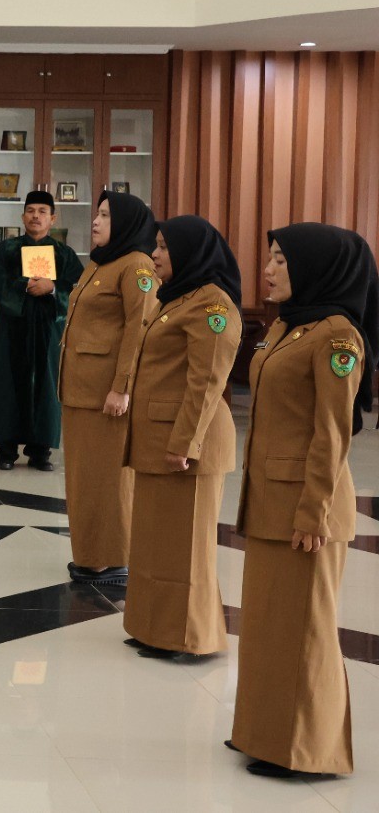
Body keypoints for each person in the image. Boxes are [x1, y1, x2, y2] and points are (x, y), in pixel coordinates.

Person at [230, 223, 376, 779]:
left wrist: (313, 511)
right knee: (270, 625)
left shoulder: (338, 337)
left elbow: (333, 434)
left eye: (280, 261)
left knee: (305, 631)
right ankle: (266, 735)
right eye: (269, 258)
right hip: (271, 497)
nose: (267, 269)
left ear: (316, 267)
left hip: (305, 508)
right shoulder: (291, 326)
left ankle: (309, 750)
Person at [122, 215, 241, 662]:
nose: (154, 254)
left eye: (165, 248)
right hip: (158, 438)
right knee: (154, 541)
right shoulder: (175, 298)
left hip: (188, 444)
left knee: (186, 548)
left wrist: (185, 442)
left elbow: (206, 382)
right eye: (156, 245)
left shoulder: (213, 307)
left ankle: (189, 635)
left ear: (191, 254)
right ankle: (153, 627)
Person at [59, 191, 160, 585]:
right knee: (84, 479)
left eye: (104, 215)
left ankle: (114, 555)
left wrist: (123, 387)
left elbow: (140, 329)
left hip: (106, 394)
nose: (96, 221)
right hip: (80, 390)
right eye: (96, 213)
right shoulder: (100, 263)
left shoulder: (136, 266)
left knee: (109, 479)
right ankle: (90, 553)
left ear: (127, 222)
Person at [0, 191, 84, 471]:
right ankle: (6, 450)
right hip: (13, 327)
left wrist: (52, 288)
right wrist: (23, 287)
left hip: (49, 329)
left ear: (52, 218)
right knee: (8, 385)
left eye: (42, 211)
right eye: (30, 210)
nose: (35, 216)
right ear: (22, 216)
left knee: (46, 386)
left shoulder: (64, 254)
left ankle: (40, 451)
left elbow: (79, 287)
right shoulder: (7, 249)